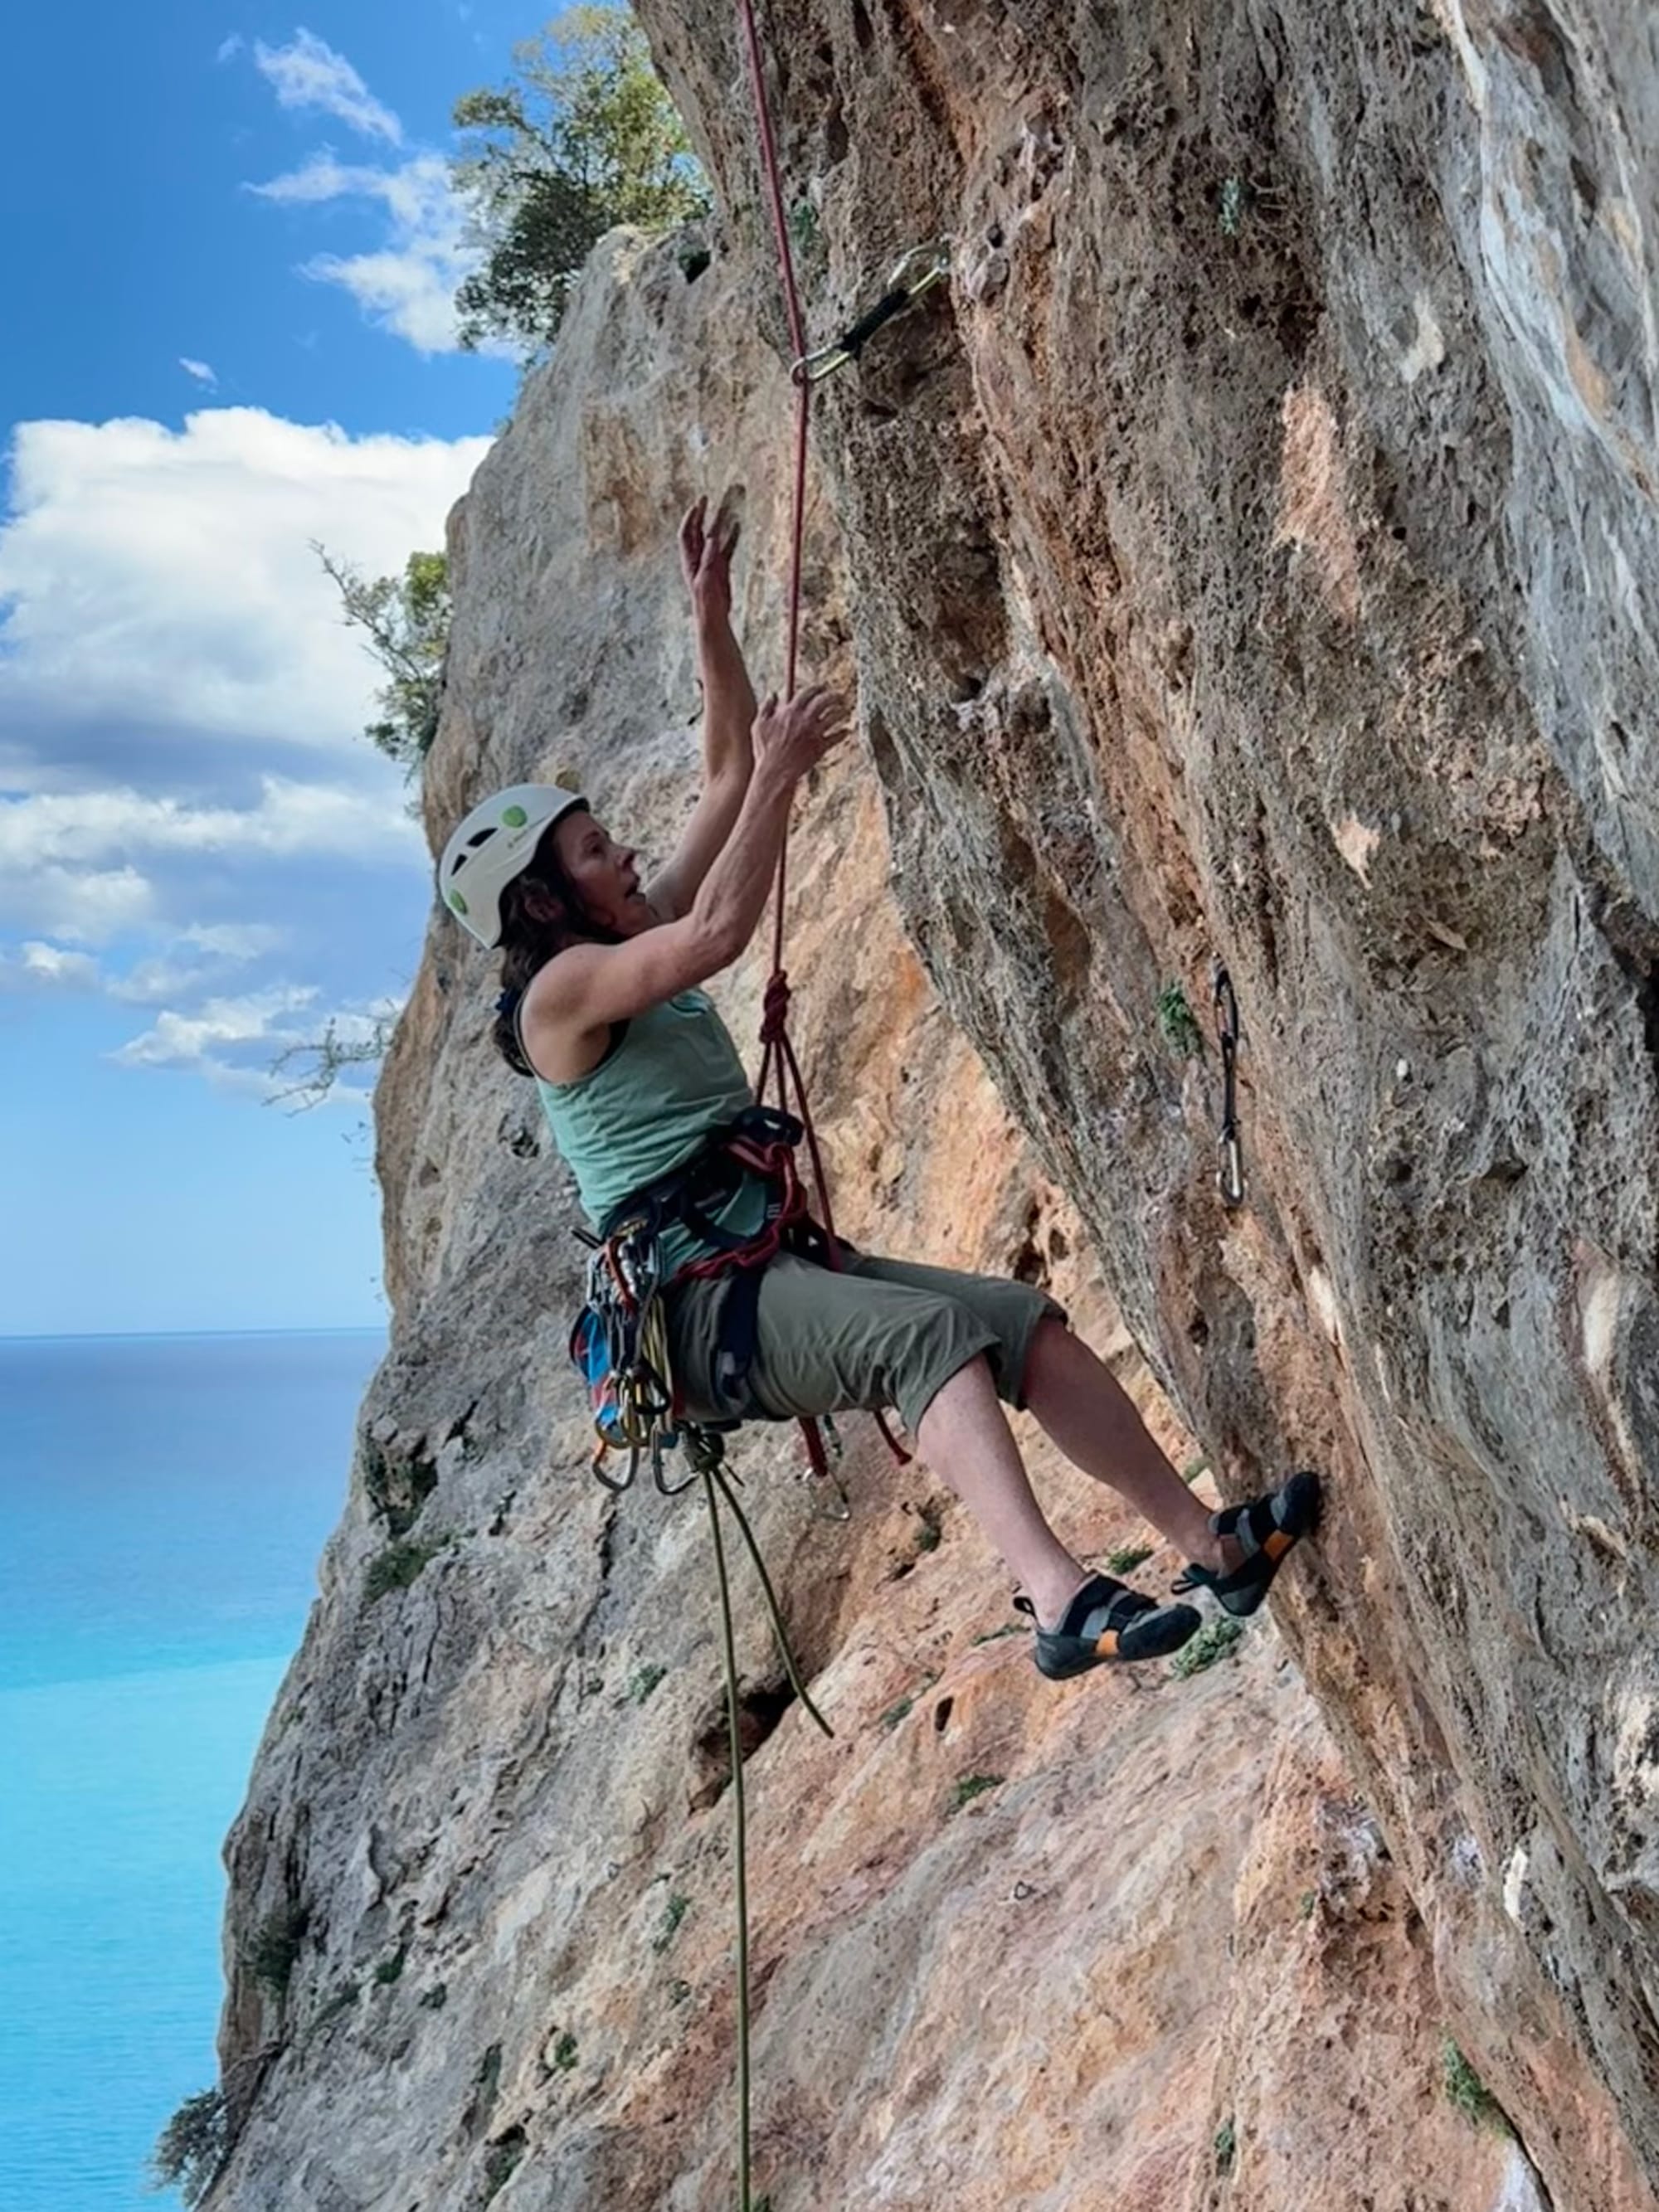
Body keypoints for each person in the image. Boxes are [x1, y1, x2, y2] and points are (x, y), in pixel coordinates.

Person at [439, 495, 1319, 1680]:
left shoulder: (627, 925)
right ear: (543, 903)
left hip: (760, 1265)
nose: (627, 855)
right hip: (700, 1313)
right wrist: (785, 789)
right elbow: (714, 938)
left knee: (1022, 1328)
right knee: (929, 1344)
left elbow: (725, 769)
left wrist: (711, 618)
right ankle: (1055, 1600)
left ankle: (1207, 1545)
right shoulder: (562, 996)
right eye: (596, 852)